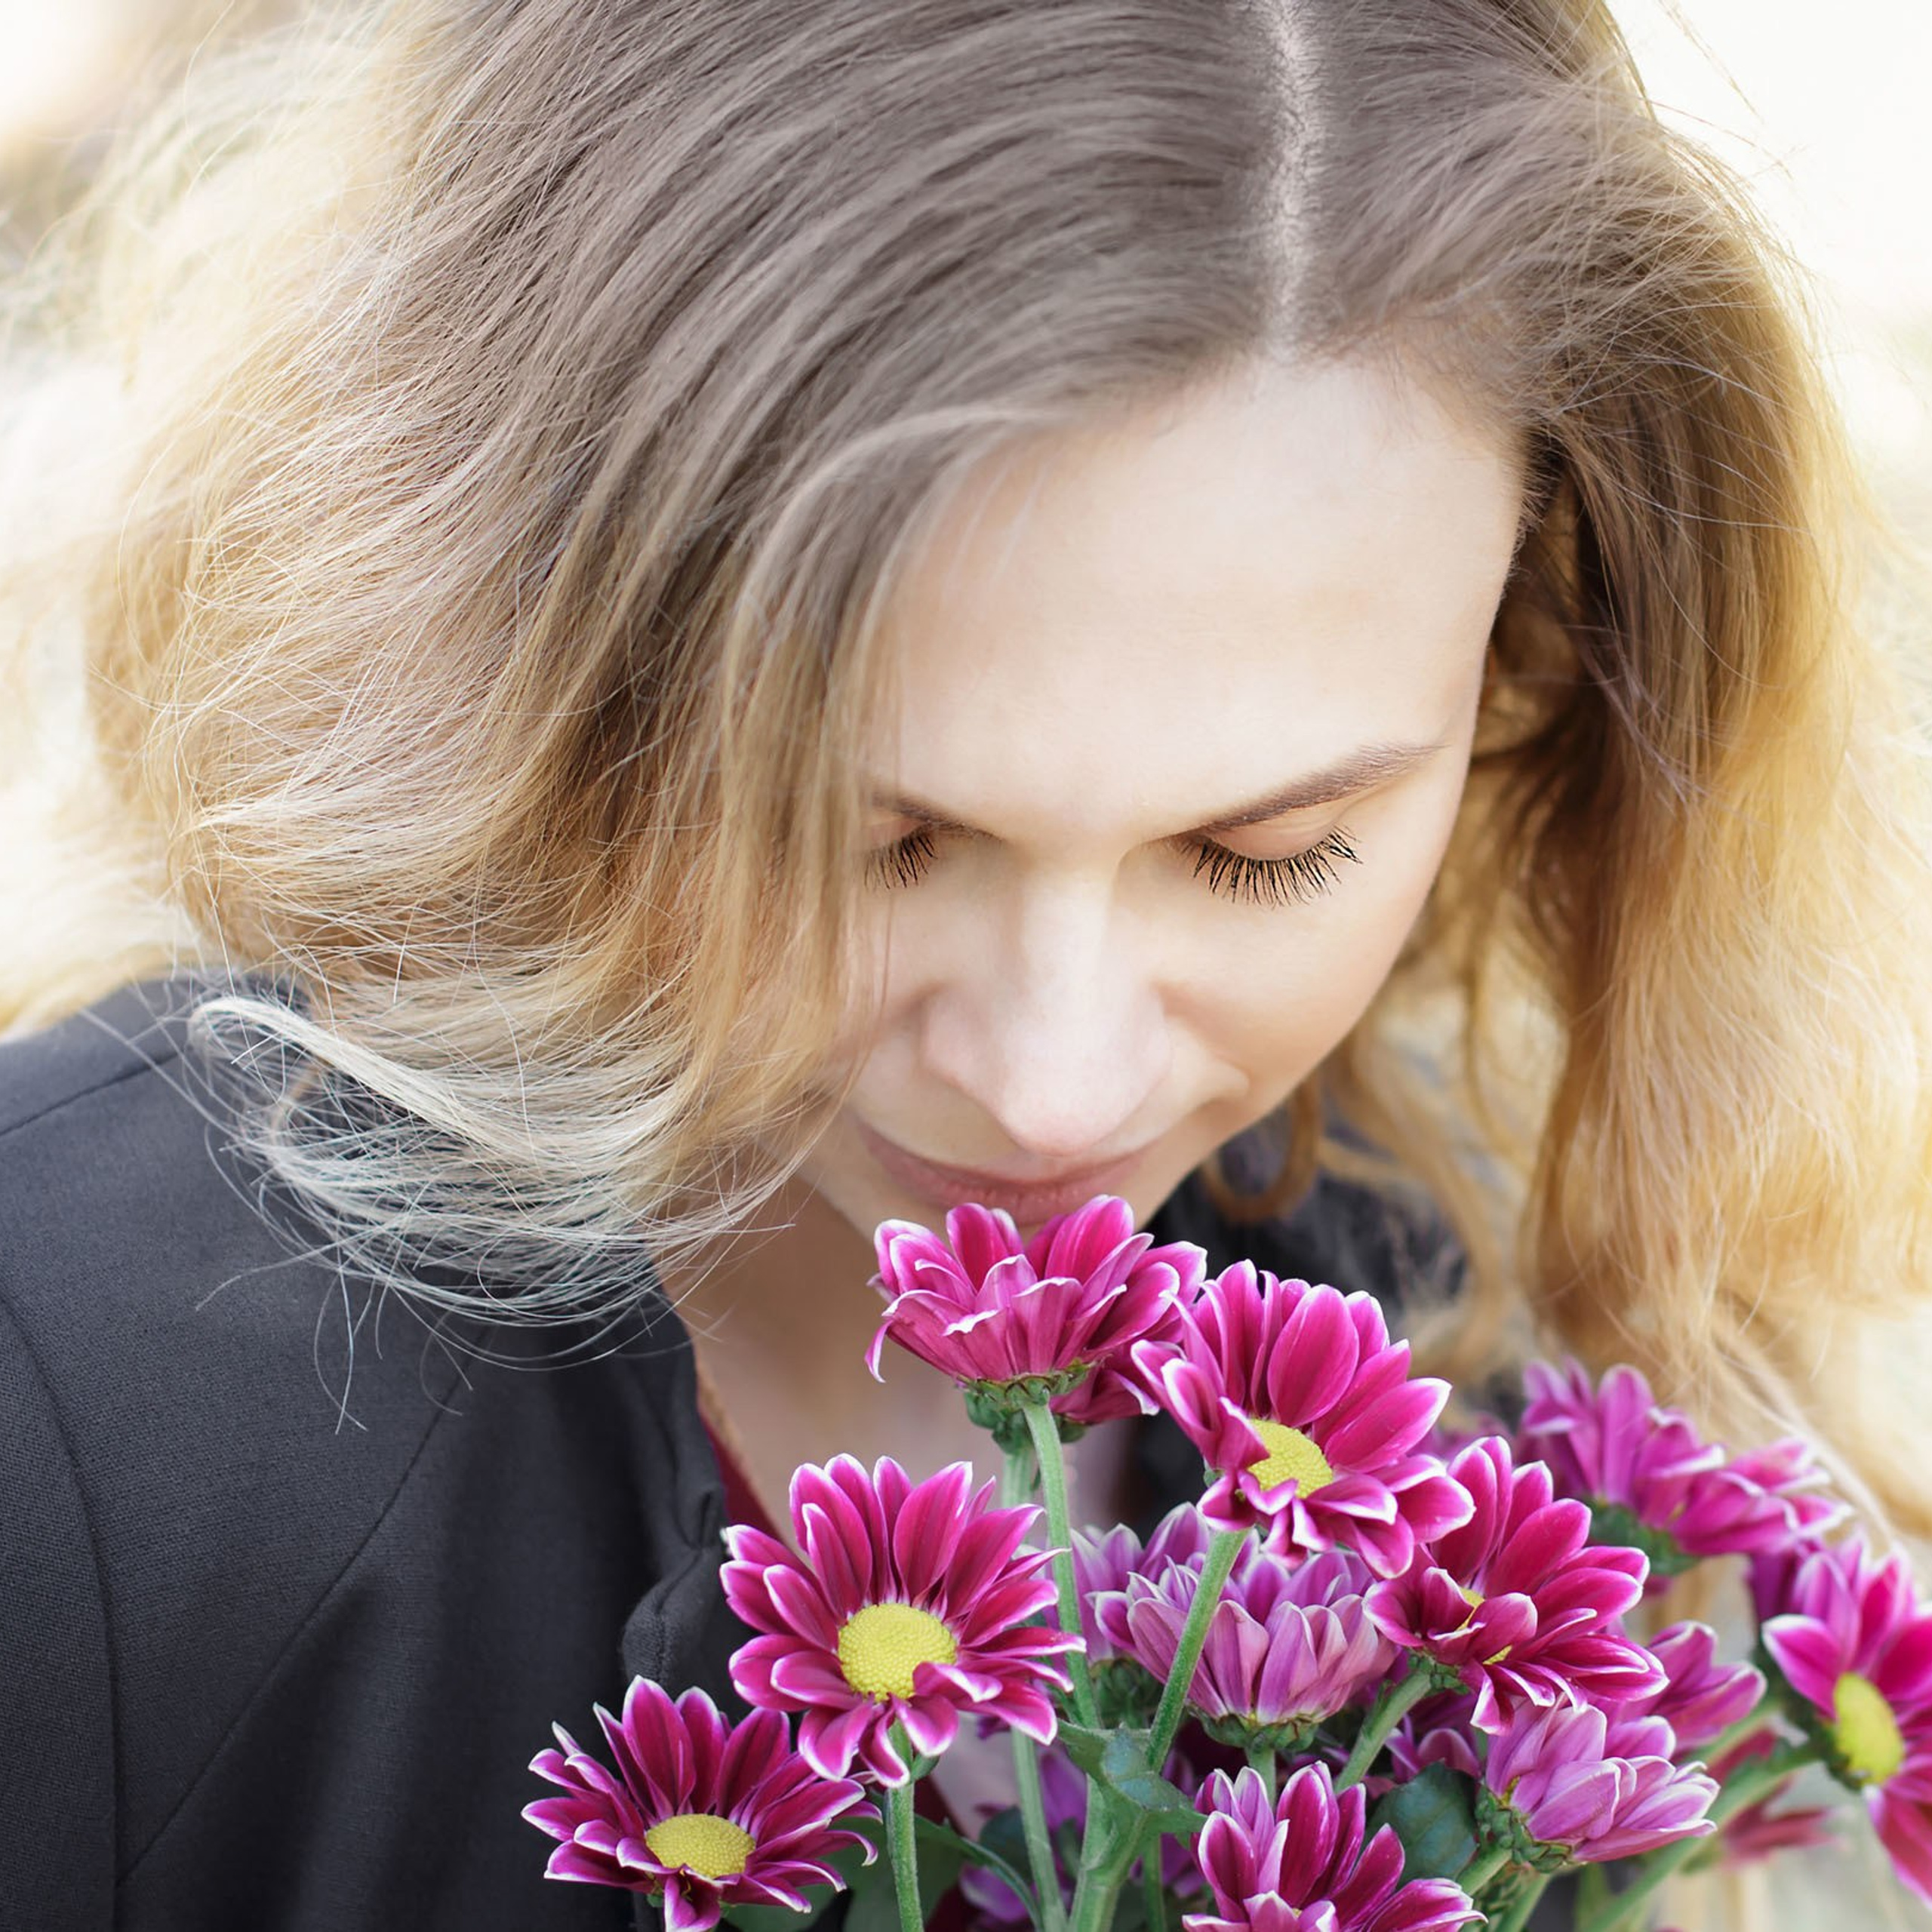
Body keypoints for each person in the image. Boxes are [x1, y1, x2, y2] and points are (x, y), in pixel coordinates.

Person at [2, 0, 1928, 1927]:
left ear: (1533, 672)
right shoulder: (94, 1413)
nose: (1050, 1081)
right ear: (525, 654)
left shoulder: (1472, 1352)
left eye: (1267, 851)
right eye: (876, 843)